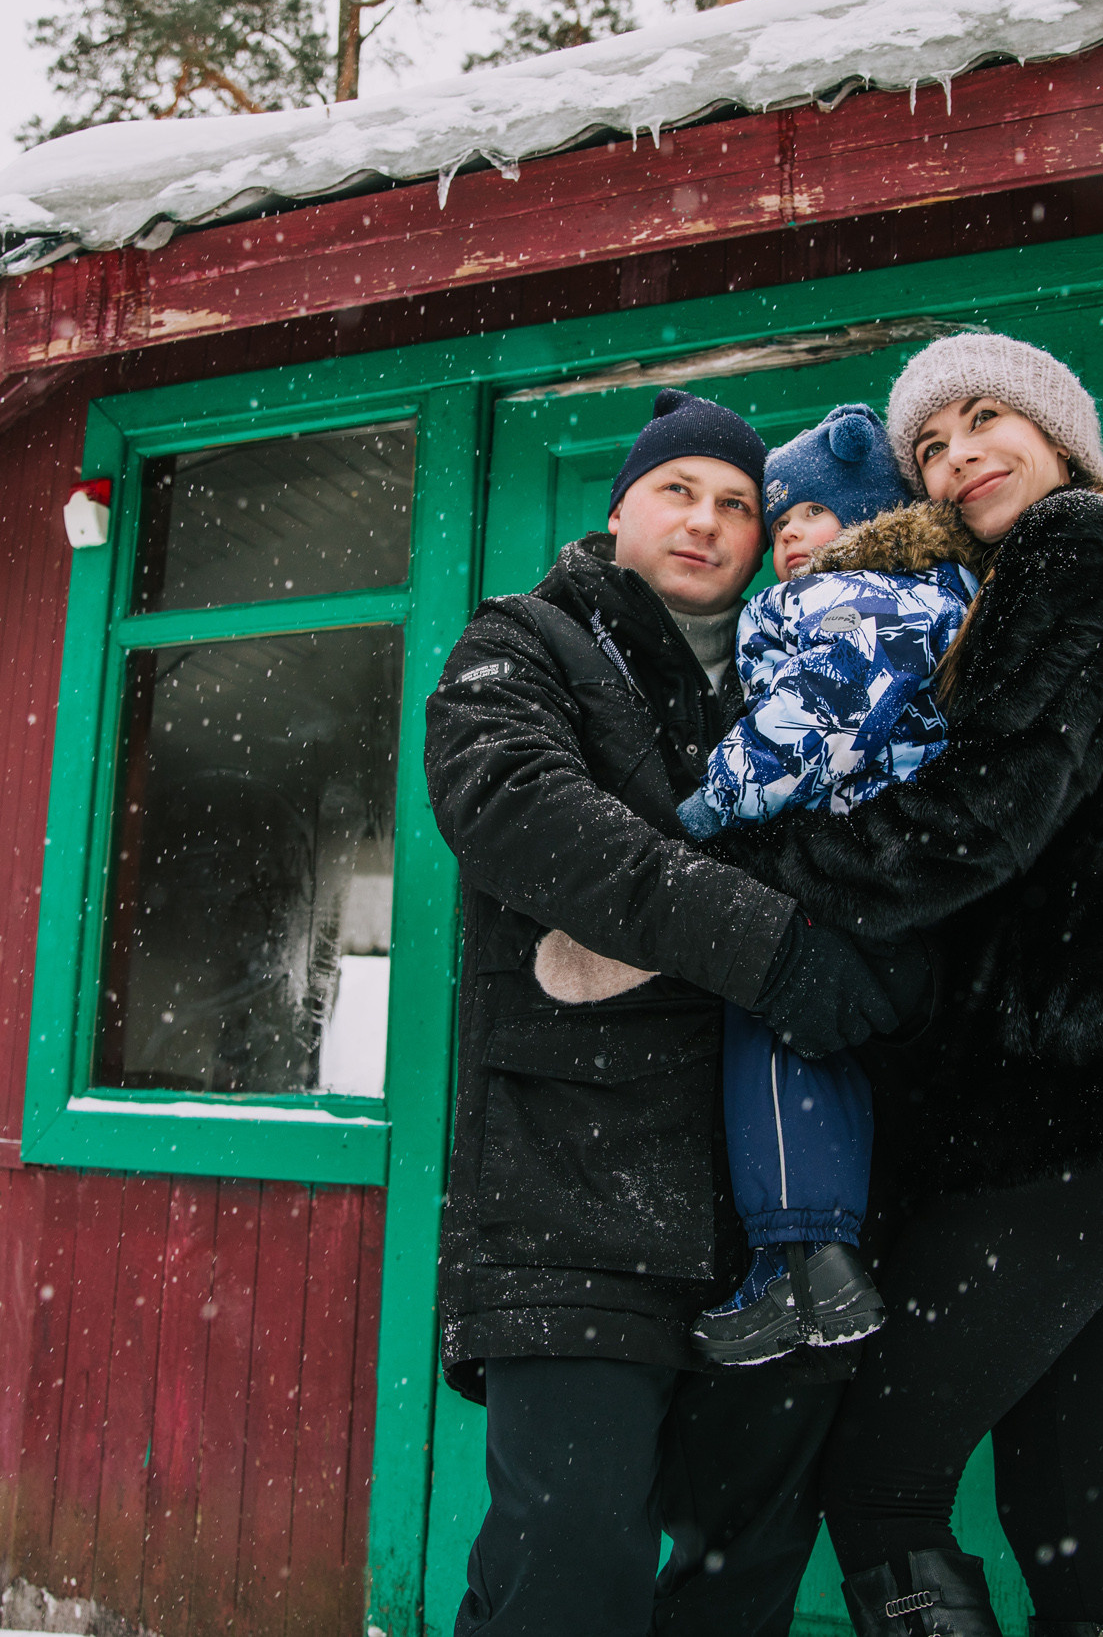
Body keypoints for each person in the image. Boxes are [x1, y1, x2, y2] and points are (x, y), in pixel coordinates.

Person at [710, 336, 1103, 1637]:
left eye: (987, 420)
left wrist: (758, 861)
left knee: (884, 1481)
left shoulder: (1076, 551)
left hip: (1070, 1100)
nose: (960, 453)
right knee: (1060, 1497)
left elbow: (979, 815)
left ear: (1063, 434)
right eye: (932, 444)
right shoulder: (1077, 567)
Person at [423, 388, 924, 1637]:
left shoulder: (818, 663)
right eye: (676, 492)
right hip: (572, 1190)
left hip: (782, 1213)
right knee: (565, 1571)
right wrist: (775, 949)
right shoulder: (524, 643)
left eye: (737, 505)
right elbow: (519, 812)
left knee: (739, 1582)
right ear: (619, 508)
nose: (705, 522)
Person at [675, 404, 988, 1368]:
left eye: (813, 512)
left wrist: (707, 804)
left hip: (850, 870)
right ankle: (812, 1265)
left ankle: (803, 1257)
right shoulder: (917, 597)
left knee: (771, 1022)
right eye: (781, 525)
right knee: (812, 1050)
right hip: (885, 886)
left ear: (870, 514)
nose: (792, 538)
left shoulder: (861, 601)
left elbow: (809, 723)